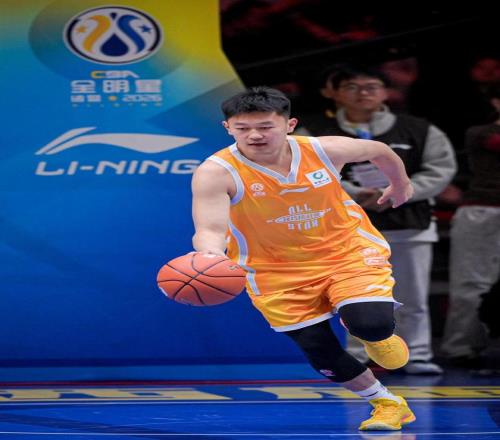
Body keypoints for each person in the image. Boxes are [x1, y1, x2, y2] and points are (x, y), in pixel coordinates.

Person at [191, 86, 416, 431]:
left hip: (345, 251)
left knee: (369, 323)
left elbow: (380, 150)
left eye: (265, 126)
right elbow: (210, 227)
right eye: (243, 128)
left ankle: (374, 334)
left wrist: (400, 184)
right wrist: (210, 254)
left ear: (289, 124)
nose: (254, 135)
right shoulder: (216, 171)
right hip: (272, 269)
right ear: (228, 128)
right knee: (317, 348)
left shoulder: (324, 149)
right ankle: (387, 403)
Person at [300, 65, 457, 375]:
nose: (363, 93)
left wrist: (400, 189)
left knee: (412, 295)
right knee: (351, 294)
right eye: (352, 87)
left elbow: (441, 169)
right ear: (334, 93)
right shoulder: (313, 132)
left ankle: (418, 354)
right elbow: (302, 170)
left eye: (371, 86)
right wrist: (354, 192)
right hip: (342, 228)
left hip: (408, 223)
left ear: (386, 92)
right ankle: (359, 354)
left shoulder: (419, 129)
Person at [440, 84, 500, 364]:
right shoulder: (480, 133)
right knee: (472, 282)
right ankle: (461, 348)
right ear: (495, 102)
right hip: (483, 212)